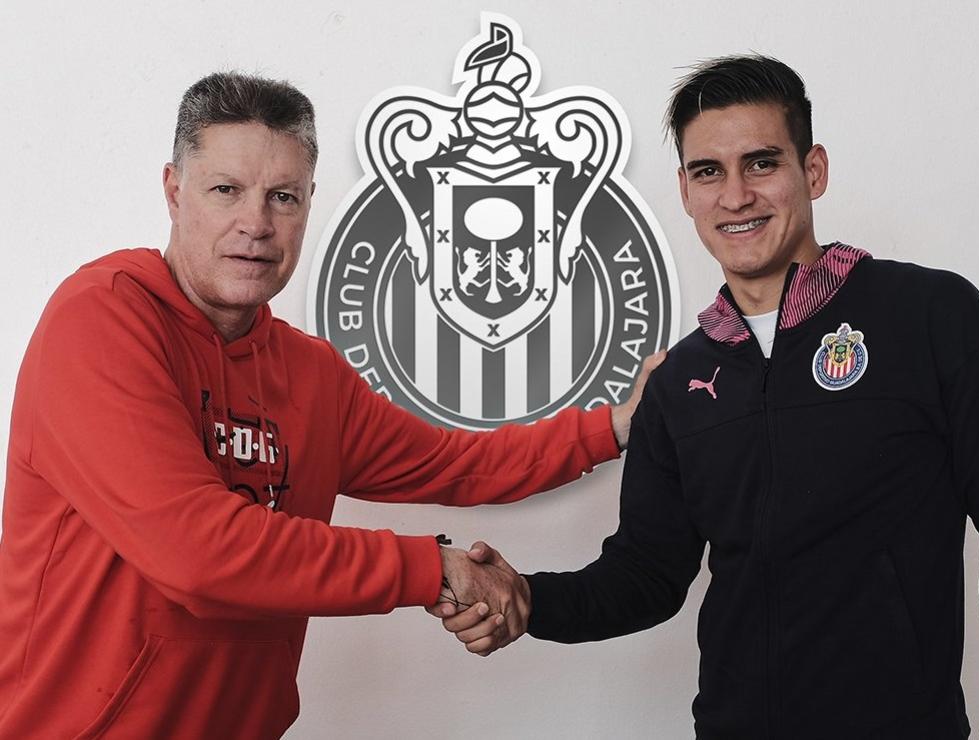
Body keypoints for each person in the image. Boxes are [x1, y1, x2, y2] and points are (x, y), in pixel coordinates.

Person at [0, 71, 662, 739]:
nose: (256, 224)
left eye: (282, 197)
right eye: (226, 190)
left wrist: (616, 426)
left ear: (309, 203)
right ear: (174, 191)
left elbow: (457, 464)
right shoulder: (101, 320)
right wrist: (431, 568)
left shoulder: (309, 373)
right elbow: (197, 553)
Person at [435, 55, 979, 739]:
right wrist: (527, 598)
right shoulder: (679, 383)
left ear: (813, 171)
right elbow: (646, 575)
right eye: (709, 172)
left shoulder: (931, 316)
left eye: (761, 163)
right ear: (685, 191)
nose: (736, 195)